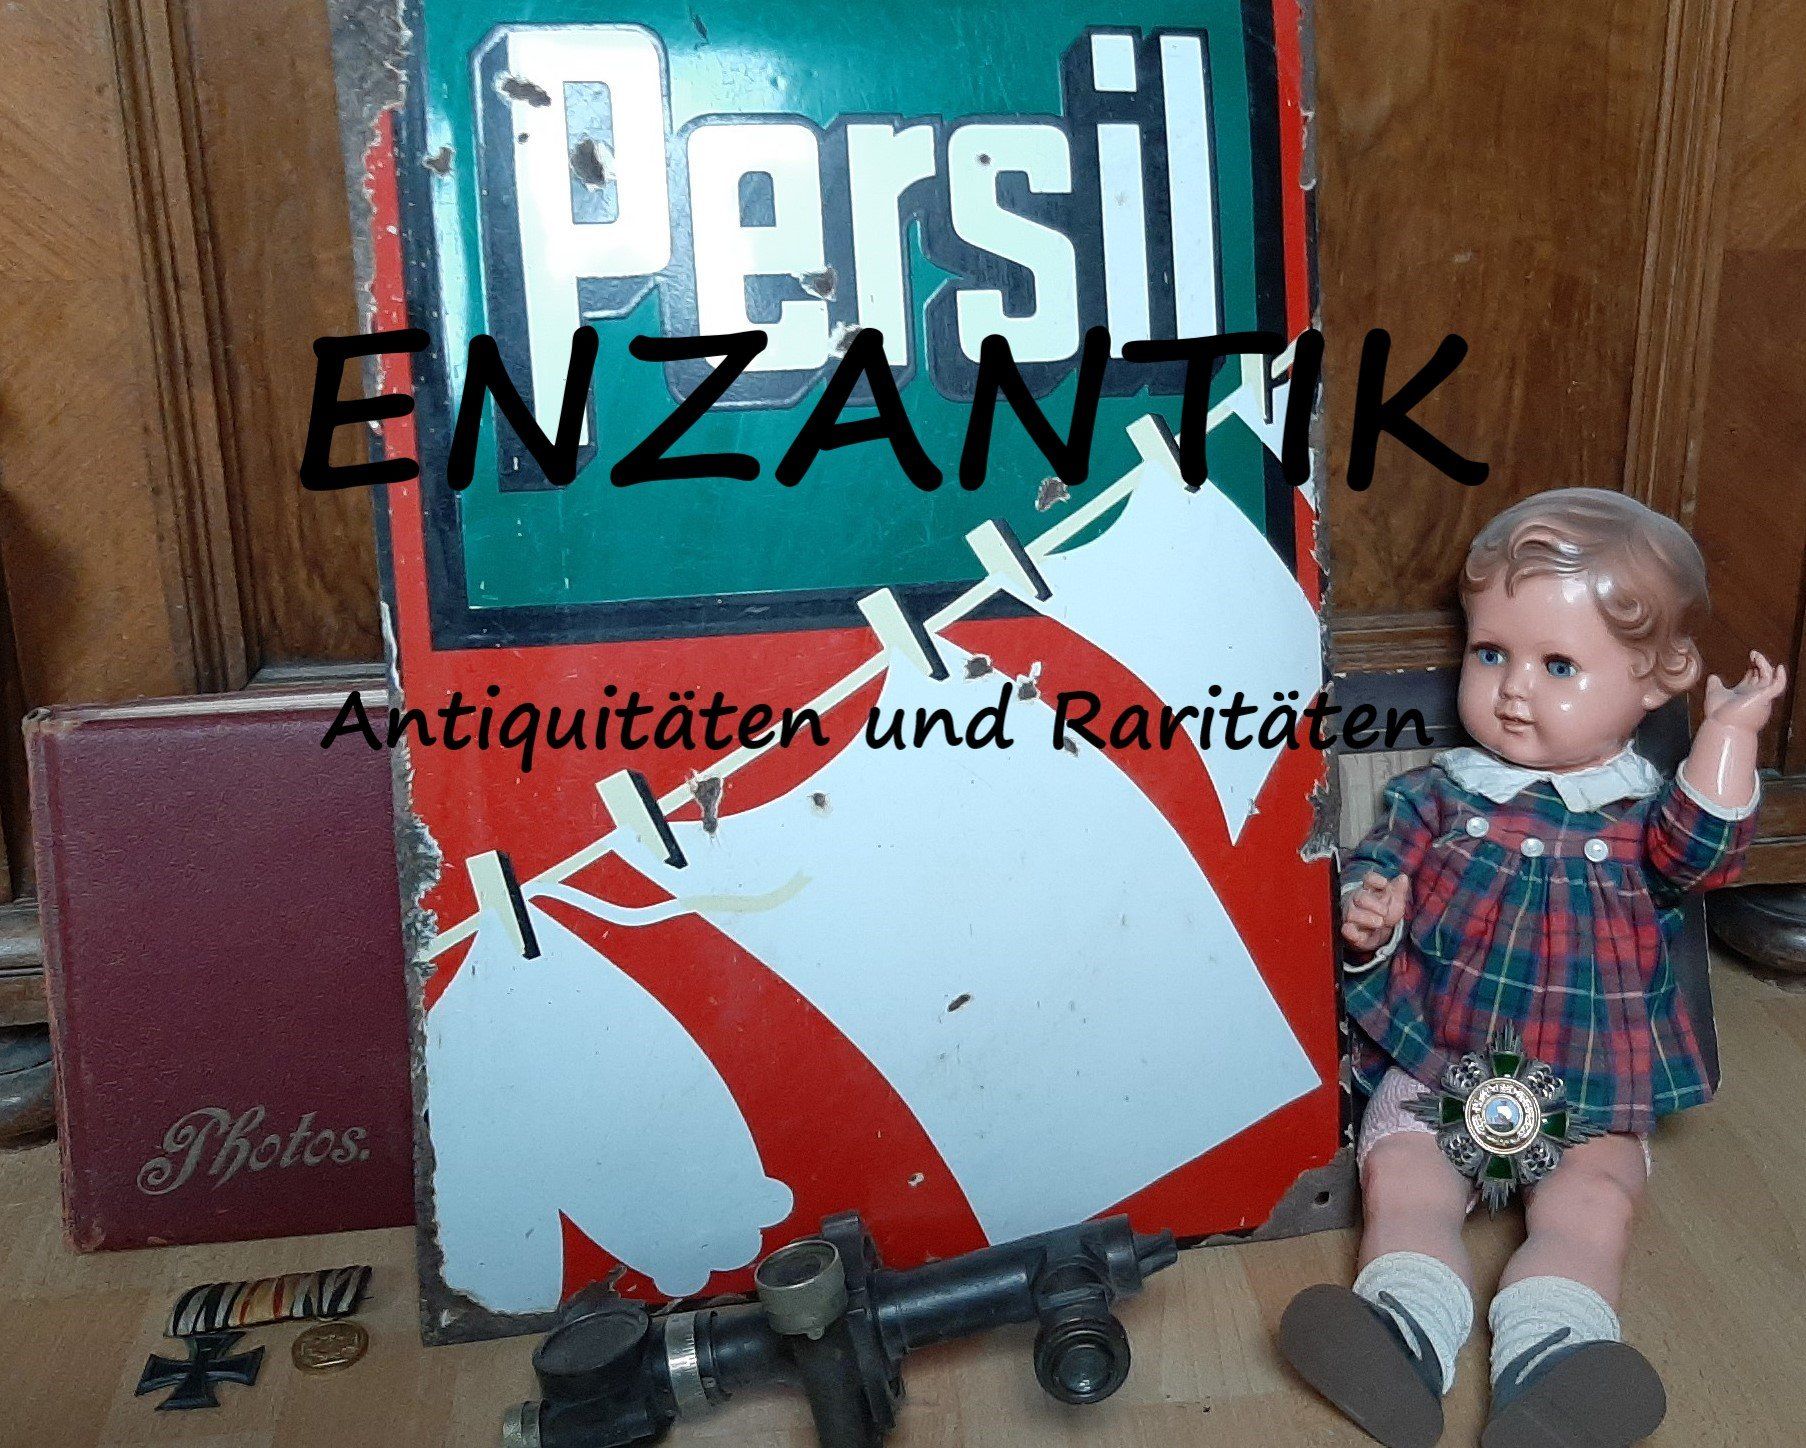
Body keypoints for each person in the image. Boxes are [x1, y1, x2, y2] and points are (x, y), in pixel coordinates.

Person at [1278, 489, 1785, 1448]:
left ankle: (1553, 1362)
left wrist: (1726, 737)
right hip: (1443, 1059)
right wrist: (1372, 915)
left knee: (1591, 1202)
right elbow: (1381, 866)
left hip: (1591, 1082)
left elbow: (1703, 854)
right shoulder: (1438, 795)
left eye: (1558, 665)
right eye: (1491, 653)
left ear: (1659, 677)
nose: (1513, 689)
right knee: (1406, 1177)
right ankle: (1402, 1331)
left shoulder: (1644, 818)